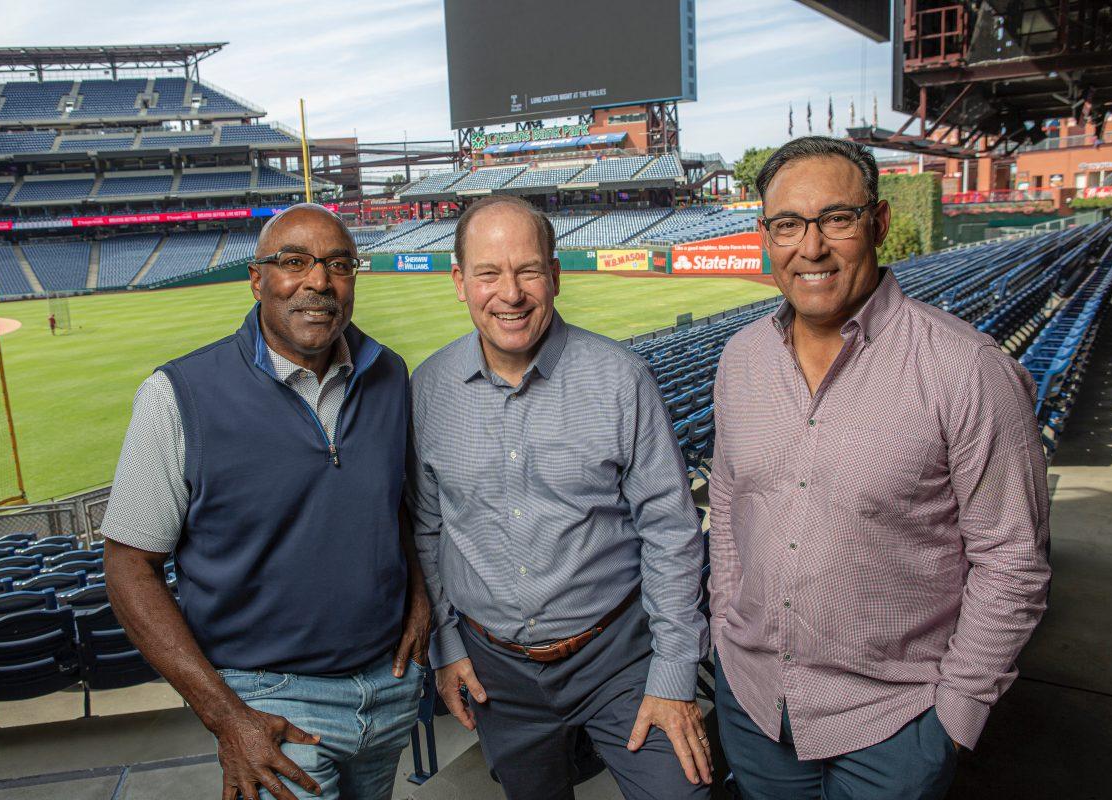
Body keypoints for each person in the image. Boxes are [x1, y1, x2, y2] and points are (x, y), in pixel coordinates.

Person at [708, 137, 1051, 799]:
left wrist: (953, 717)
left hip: (896, 727)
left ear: (879, 224)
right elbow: (728, 507)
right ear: (765, 235)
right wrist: (726, 627)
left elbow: (1012, 559)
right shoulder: (739, 360)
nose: (810, 247)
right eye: (787, 224)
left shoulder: (967, 368)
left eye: (836, 218)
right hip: (752, 705)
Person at [102, 204, 429, 800]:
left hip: (388, 687)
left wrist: (421, 595)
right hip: (269, 703)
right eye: (293, 262)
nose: (318, 282)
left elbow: (394, 505)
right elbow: (129, 568)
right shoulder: (177, 394)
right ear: (256, 279)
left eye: (338, 264)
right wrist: (226, 716)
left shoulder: (389, 375)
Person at [409, 195, 711, 800]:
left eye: (527, 271)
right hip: (496, 672)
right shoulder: (428, 388)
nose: (510, 293)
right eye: (488, 273)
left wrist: (675, 672)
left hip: (619, 656)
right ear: (458, 281)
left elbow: (671, 530)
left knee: (685, 793)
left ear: (554, 275)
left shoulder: (620, 377)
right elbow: (427, 530)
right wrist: (444, 646)